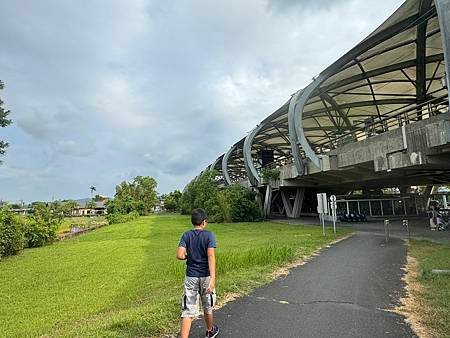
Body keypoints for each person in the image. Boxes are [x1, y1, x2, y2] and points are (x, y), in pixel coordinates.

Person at [177, 208, 219, 338]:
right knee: (207, 306)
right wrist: (212, 279)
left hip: (191, 276)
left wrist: (187, 257)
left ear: (193, 222)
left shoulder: (186, 235)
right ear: (204, 222)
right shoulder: (209, 235)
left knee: (188, 310)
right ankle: (210, 330)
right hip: (206, 276)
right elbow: (211, 256)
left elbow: (179, 255)